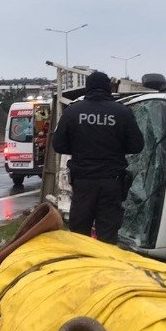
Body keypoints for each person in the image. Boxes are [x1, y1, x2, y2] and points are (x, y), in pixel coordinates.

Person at [52, 70, 144, 244]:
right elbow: (137, 146)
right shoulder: (122, 113)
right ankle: (105, 267)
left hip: (83, 182)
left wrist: (80, 147)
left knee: (79, 234)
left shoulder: (73, 111)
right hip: (112, 182)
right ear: (108, 88)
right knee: (108, 235)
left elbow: (58, 145)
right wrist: (116, 146)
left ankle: (83, 265)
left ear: (87, 88)